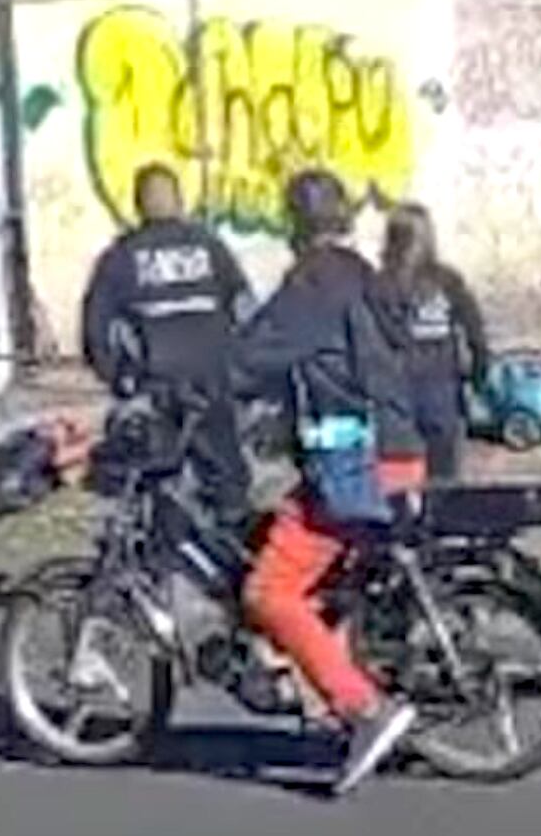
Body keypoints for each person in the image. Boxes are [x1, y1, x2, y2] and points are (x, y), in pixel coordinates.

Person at [233, 170, 424, 796]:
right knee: (295, 533)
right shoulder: (364, 276)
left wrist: (203, 382)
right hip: (401, 449)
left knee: (269, 589)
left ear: (294, 224)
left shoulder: (313, 280)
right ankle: (325, 656)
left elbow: (256, 353)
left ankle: (364, 710)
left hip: (353, 461)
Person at [80, 163, 254, 531]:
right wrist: (248, 368)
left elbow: (96, 328)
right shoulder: (209, 246)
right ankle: (231, 543)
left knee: (159, 469)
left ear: (138, 205)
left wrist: (118, 378)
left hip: (159, 379)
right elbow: (244, 306)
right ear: (178, 199)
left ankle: (165, 547)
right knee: (225, 469)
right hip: (212, 372)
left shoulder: (122, 256)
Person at [378, 202, 490, 481]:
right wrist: (479, 376)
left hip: (396, 394)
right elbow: (475, 332)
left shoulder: (379, 284)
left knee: (400, 480)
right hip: (442, 391)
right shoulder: (448, 280)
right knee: (445, 478)